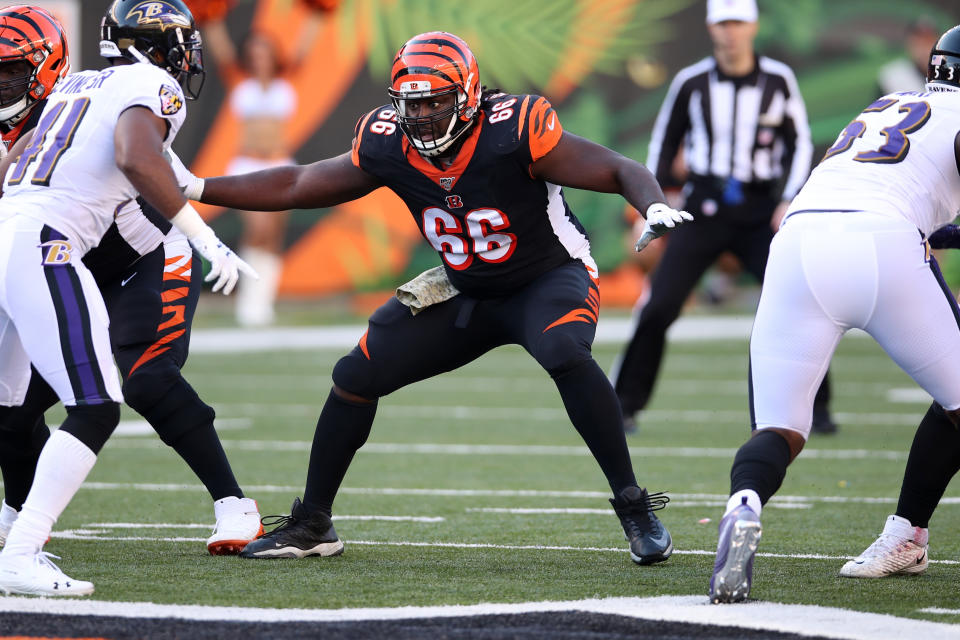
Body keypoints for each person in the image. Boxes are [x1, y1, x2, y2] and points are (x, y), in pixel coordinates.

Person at [173, 30, 692, 564]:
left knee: (564, 352)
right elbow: (298, 184)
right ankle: (313, 524)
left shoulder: (514, 128)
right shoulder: (387, 140)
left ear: (467, 95)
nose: (420, 116)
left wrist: (651, 205)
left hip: (548, 278)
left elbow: (616, 168)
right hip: (465, 287)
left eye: (434, 102)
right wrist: (196, 187)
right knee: (355, 377)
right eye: (411, 103)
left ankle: (634, 508)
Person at [0, 0, 253, 596]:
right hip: (48, 243)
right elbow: (136, 157)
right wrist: (209, 238)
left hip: (37, 236)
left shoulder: (77, 87)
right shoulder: (150, 84)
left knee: (14, 406)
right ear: (164, 50)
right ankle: (21, 550)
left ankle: (18, 535)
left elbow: (19, 161)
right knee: (94, 405)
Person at [708, 23, 960, 603]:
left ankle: (743, 504)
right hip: (882, 243)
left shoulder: (889, 104)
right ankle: (906, 530)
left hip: (799, 239)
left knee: (779, 428)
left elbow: (893, 184)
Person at [610, 0, 838, 435]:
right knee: (658, 305)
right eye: (721, 23)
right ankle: (624, 406)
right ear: (711, 28)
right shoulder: (691, 82)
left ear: (752, 26)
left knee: (798, 303)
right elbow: (662, 145)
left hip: (759, 211)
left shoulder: (779, 80)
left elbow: (799, 144)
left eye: (736, 22)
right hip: (701, 207)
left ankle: (817, 408)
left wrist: (788, 200)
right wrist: (651, 208)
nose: (729, 32)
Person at [877, 16, 940, 95]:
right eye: (918, 42)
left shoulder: (952, 73)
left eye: (928, 41)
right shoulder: (892, 75)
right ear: (909, 44)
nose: (923, 48)